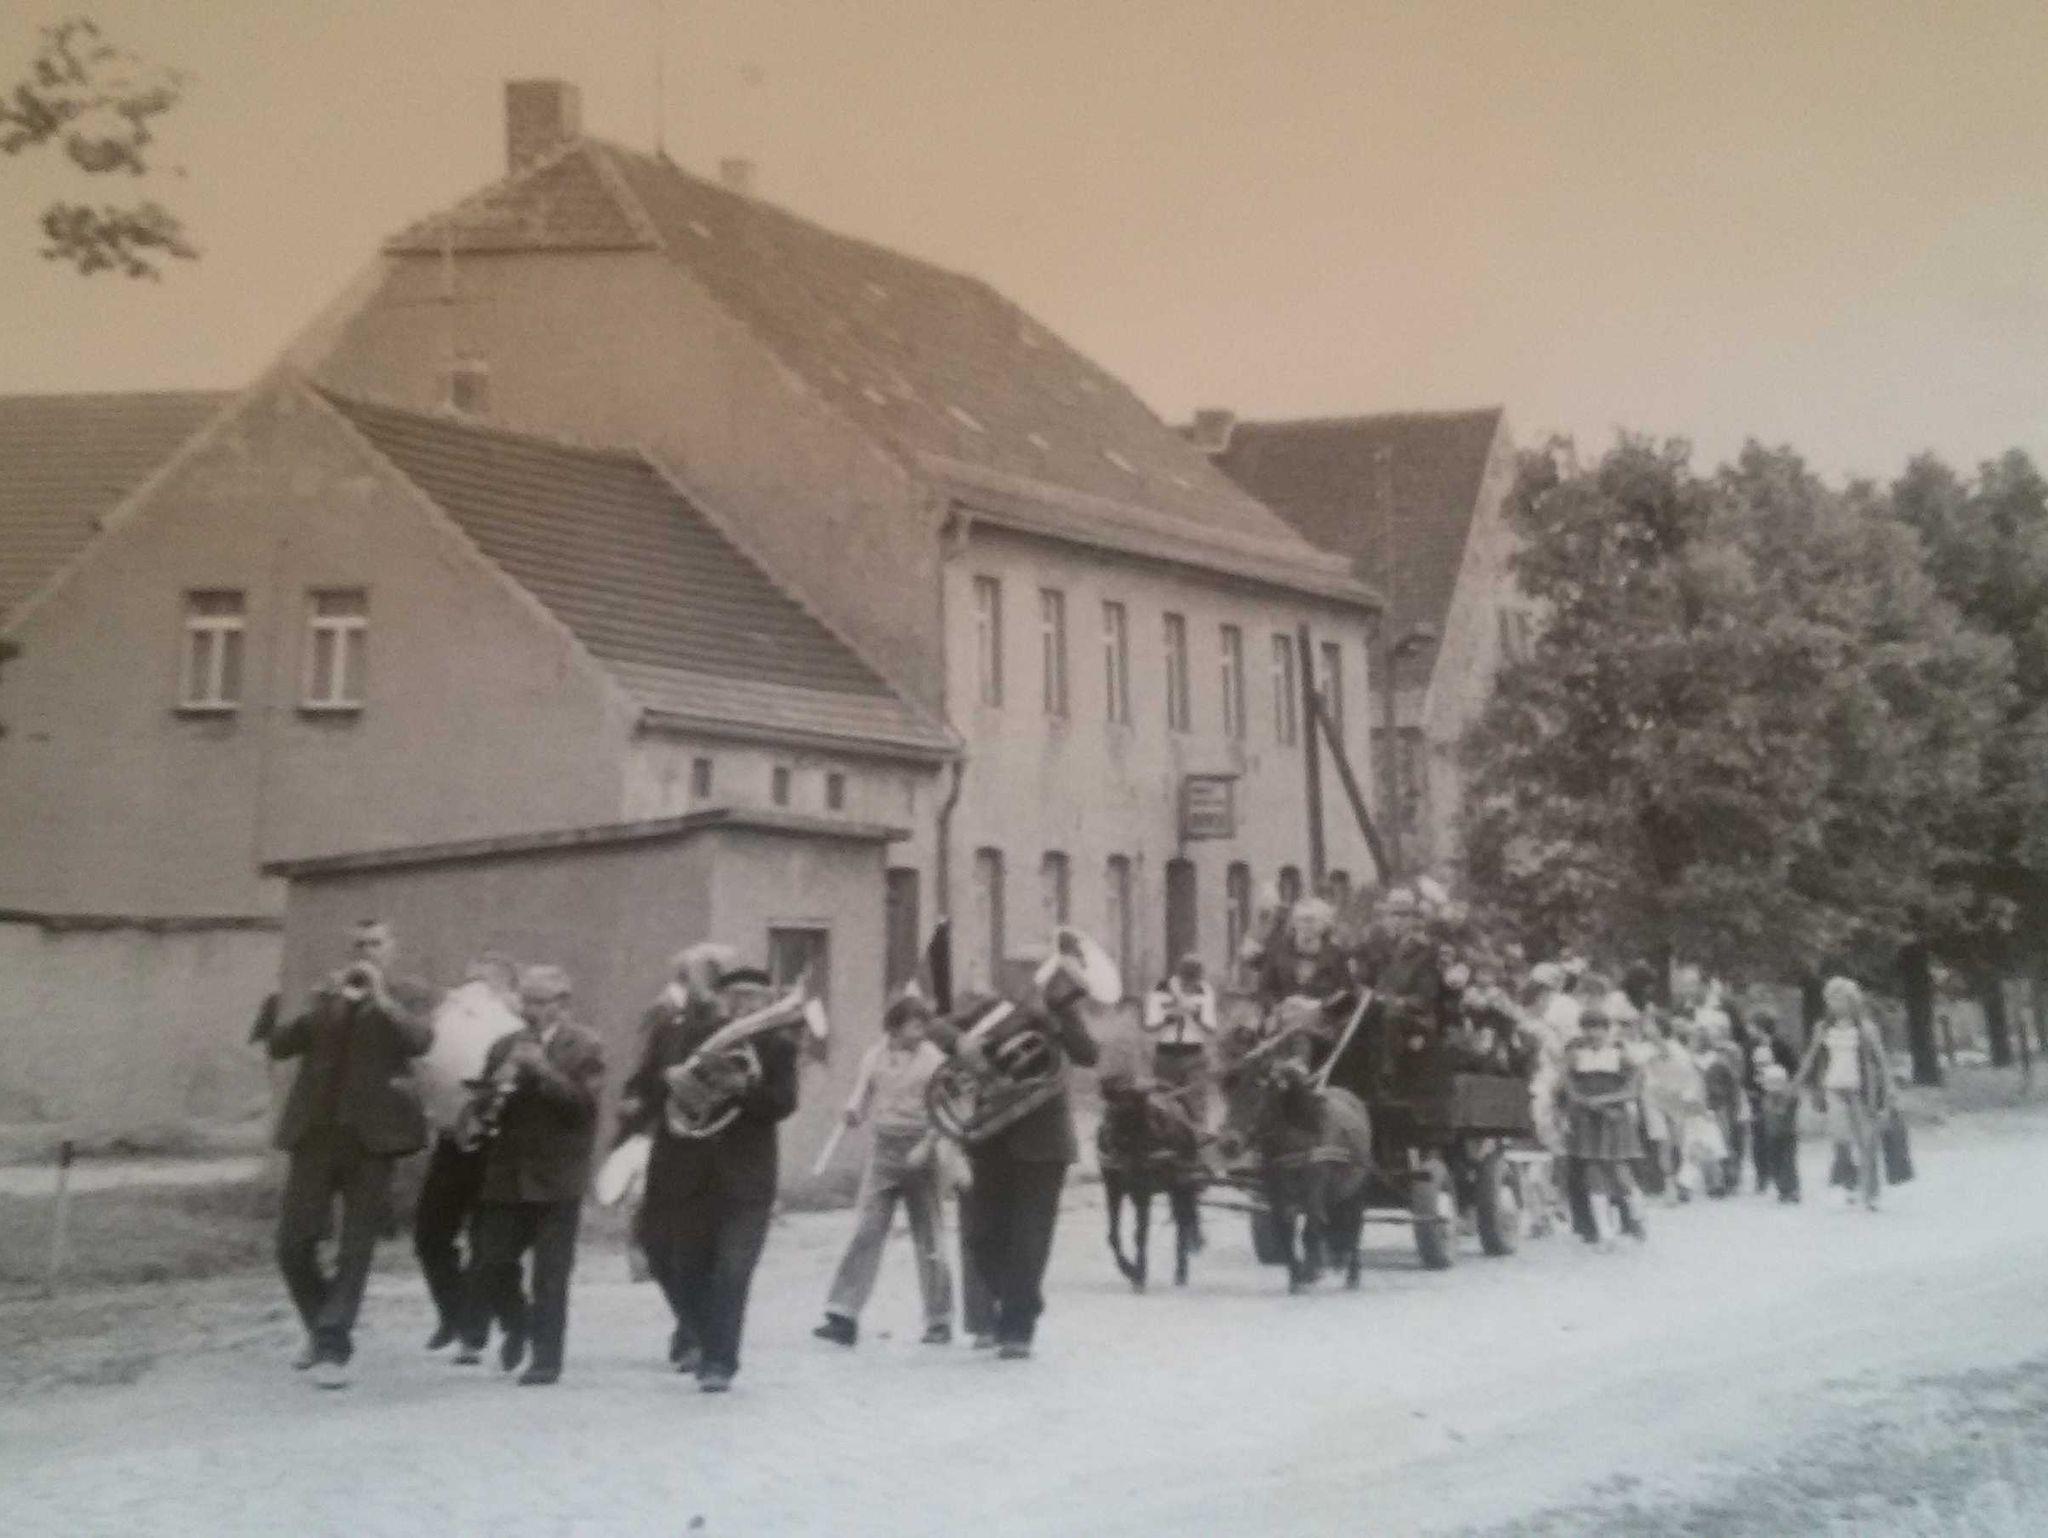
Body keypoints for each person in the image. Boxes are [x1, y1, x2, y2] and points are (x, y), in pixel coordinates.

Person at [619, 944, 798, 1392]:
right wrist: (669, 1080)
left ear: (767, 1001)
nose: (744, 1007)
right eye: (736, 998)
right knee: (687, 1270)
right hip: (692, 1172)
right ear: (723, 1000)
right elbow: (650, 1085)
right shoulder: (689, 1036)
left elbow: (782, 1103)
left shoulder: (776, 1045)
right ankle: (702, 1335)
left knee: (733, 1271)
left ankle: (720, 1362)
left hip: (746, 1177)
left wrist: (741, 1087)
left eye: (753, 999)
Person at [268, 919, 436, 1388]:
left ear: (392, 949)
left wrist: (381, 998)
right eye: (359, 944)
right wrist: (316, 1005)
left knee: (355, 1246)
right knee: (292, 1244)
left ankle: (331, 1343)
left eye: (375, 943)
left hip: (373, 1140)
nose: (366, 952)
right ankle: (324, 1327)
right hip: (315, 1134)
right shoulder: (329, 994)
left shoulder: (409, 993)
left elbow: (421, 1041)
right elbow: (281, 1046)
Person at [926, 932, 1101, 1360]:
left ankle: (1017, 1328)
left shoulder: (1062, 1012)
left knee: (1030, 1238)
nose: (1028, 979)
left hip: (1044, 1142)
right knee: (982, 1236)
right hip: (991, 1137)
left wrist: (1054, 1020)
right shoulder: (993, 1009)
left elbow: (1088, 1054)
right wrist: (959, 1043)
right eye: (1020, 971)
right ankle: (1022, 1300)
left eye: (1035, 971)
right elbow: (935, 1025)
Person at [458, 965, 605, 1385]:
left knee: (550, 1274)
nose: (530, 1010)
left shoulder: (586, 1045)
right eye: (526, 1001)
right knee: (490, 1262)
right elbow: (485, 1108)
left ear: (563, 1004)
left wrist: (542, 1070)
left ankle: (546, 1360)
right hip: (507, 1171)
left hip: (558, 1175)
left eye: (540, 1002)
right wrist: (488, 1099)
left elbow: (584, 1107)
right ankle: (518, 1324)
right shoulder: (505, 1045)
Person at [815, 993, 954, 1348]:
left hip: (920, 1149)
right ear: (894, 1027)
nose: (920, 1032)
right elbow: (861, 1093)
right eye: (914, 1025)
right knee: (867, 1229)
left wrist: (928, 1145)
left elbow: (946, 1109)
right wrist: (853, 1111)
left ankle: (939, 1320)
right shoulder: (874, 1055)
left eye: (923, 1025)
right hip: (883, 1149)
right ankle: (843, 1314)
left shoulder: (935, 1060)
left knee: (929, 1236)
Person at [413, 954, 522, 1352]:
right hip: (451, 1136)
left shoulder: (514, 1031)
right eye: (470, 979)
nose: (471, 989)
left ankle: (480, 1330)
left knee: (485, 1240)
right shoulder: (449, 1016)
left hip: (496, 1144)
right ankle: (455, 1313)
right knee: (430, 1233)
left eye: (485, 980)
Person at [1791, 976, 1892, 1211]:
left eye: (1840, 999)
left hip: (1861, 1089)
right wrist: (1796, 1083)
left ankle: (1870, 1193)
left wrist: (1890, 1090)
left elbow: (1882, 1061)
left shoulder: (1866, 1028)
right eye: (1831, 999)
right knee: (1840, 1139)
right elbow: (1810, 1057)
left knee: (1867, 1141)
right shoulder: (1822, 1027)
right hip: (1834, 1087)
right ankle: (1850, 1181)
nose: (1835, 1004)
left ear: (1852, 1000)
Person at [1559, 1006, 1647, 1248]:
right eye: (1587, 1029)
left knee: (1620, 1172)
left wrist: (1606, 1101)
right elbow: (1568, 1087)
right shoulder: (1575, 1056)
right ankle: (1605, 1232)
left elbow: (1633, 1088)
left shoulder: (1620, 1055)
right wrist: (1583, 1102)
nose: (1592, 1034)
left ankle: (1637, 1217)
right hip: (1587, 1120)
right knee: (1593, 1174)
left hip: (1614, 1118)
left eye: (1597, 1028)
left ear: (1606, 1030)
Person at [1142, 954, 1219, 1128]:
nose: (1190, 985)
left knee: (1196, 1105)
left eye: (1194, 980)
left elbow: (1211, 1028)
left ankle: (1198, 1137)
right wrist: (1168, 1018)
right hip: (1166, 1054)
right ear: (1180, 975)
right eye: (1187, 980)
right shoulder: (1161, 989)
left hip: (1194, 1054)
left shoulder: (1204, 990)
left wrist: (1197, 1016)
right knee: (1164, 1103)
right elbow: (1149, 1026)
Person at [1748, 1010, 1802, 1202]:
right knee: (1768, 1140)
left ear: (1760, 1027)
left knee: (1785, 1138)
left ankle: (1790, 1186)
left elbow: (1795, 1069)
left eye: (1752, 1025)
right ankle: (1776, 1181)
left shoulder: (1781, 1045)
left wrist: (1786, 1088)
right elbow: (1748, 1074)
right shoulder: (1751, 1047)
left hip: (1782, 1096)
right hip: (1761, 1098)